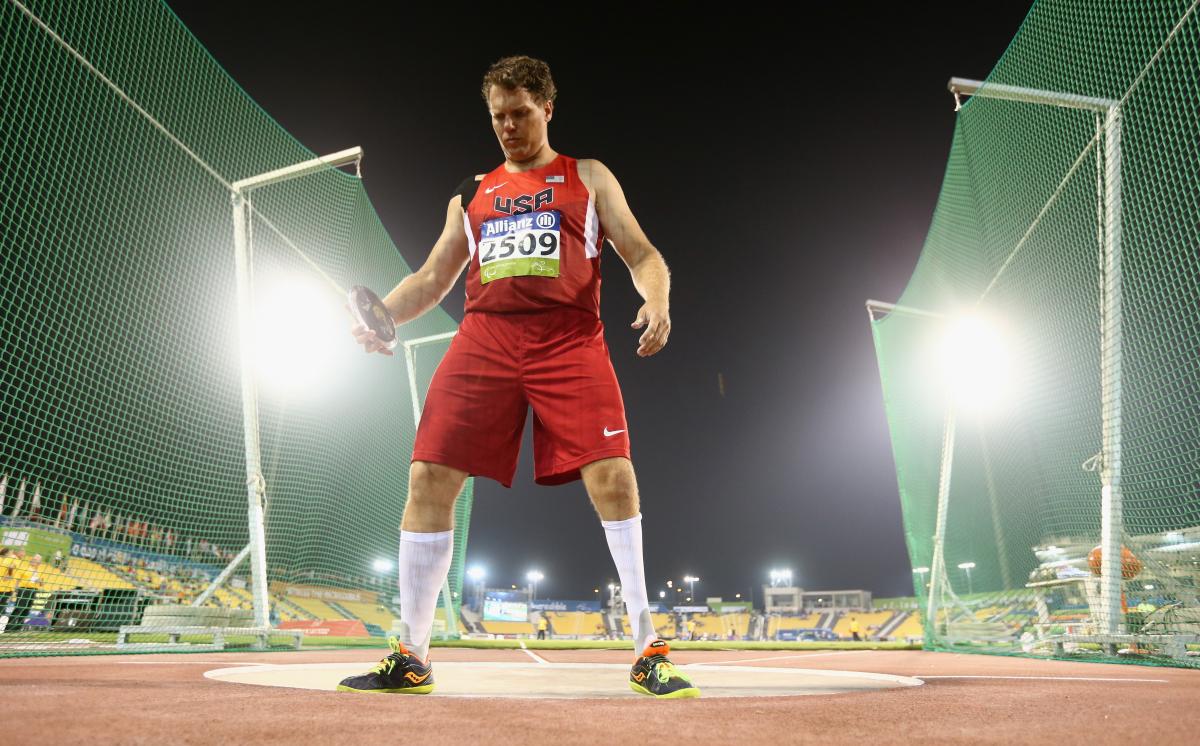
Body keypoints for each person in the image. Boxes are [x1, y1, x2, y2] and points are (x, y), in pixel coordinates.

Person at [337, 55, 697, 699]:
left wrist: (658, 298)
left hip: (568, 339)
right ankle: (410, 654)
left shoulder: (587, 176)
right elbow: (430, 280)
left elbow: (641, 253)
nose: (508, 126)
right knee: (427, 474)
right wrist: (382, 317)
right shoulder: (471, 193)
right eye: (498, 116)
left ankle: (648, 649)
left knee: (613, 473)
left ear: (547, 108)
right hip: (486, 339)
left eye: (520, 114)